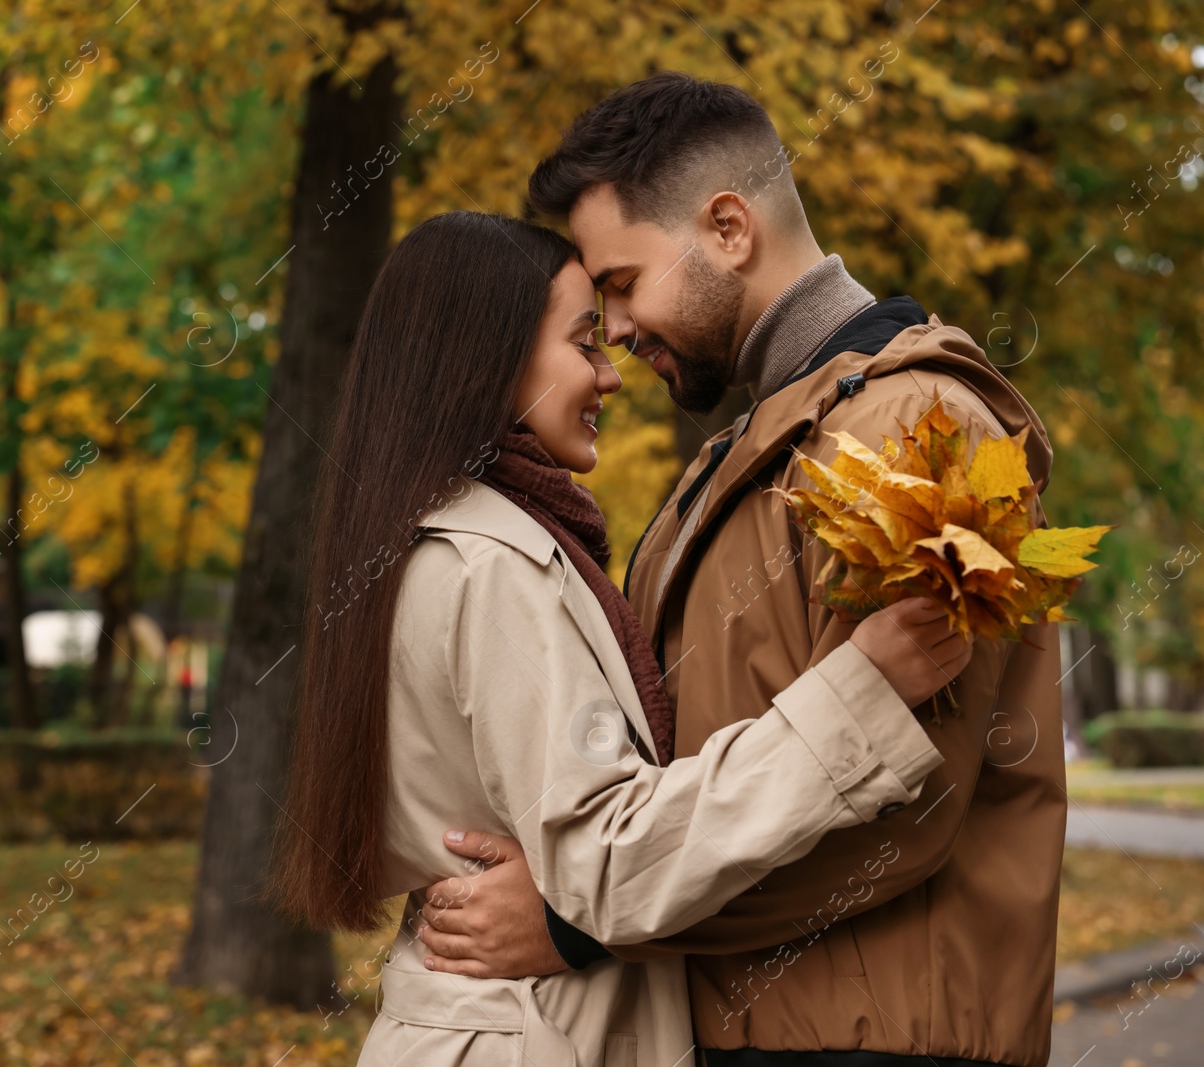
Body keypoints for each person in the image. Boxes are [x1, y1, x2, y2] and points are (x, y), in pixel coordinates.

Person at [415, 73, 1065, 1067]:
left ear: (727, 227)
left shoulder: (909, 432)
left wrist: (580, 922)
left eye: (623, 283)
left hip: (872, 1038)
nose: (617, 331)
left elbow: (902, 803)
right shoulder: (751, 452)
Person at [272, 209, 975, 1065]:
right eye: (584, 344)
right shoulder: (495, 565)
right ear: (491, 363)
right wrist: (858, 692)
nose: (610, 376)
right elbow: (605, 860)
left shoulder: (428, 537)